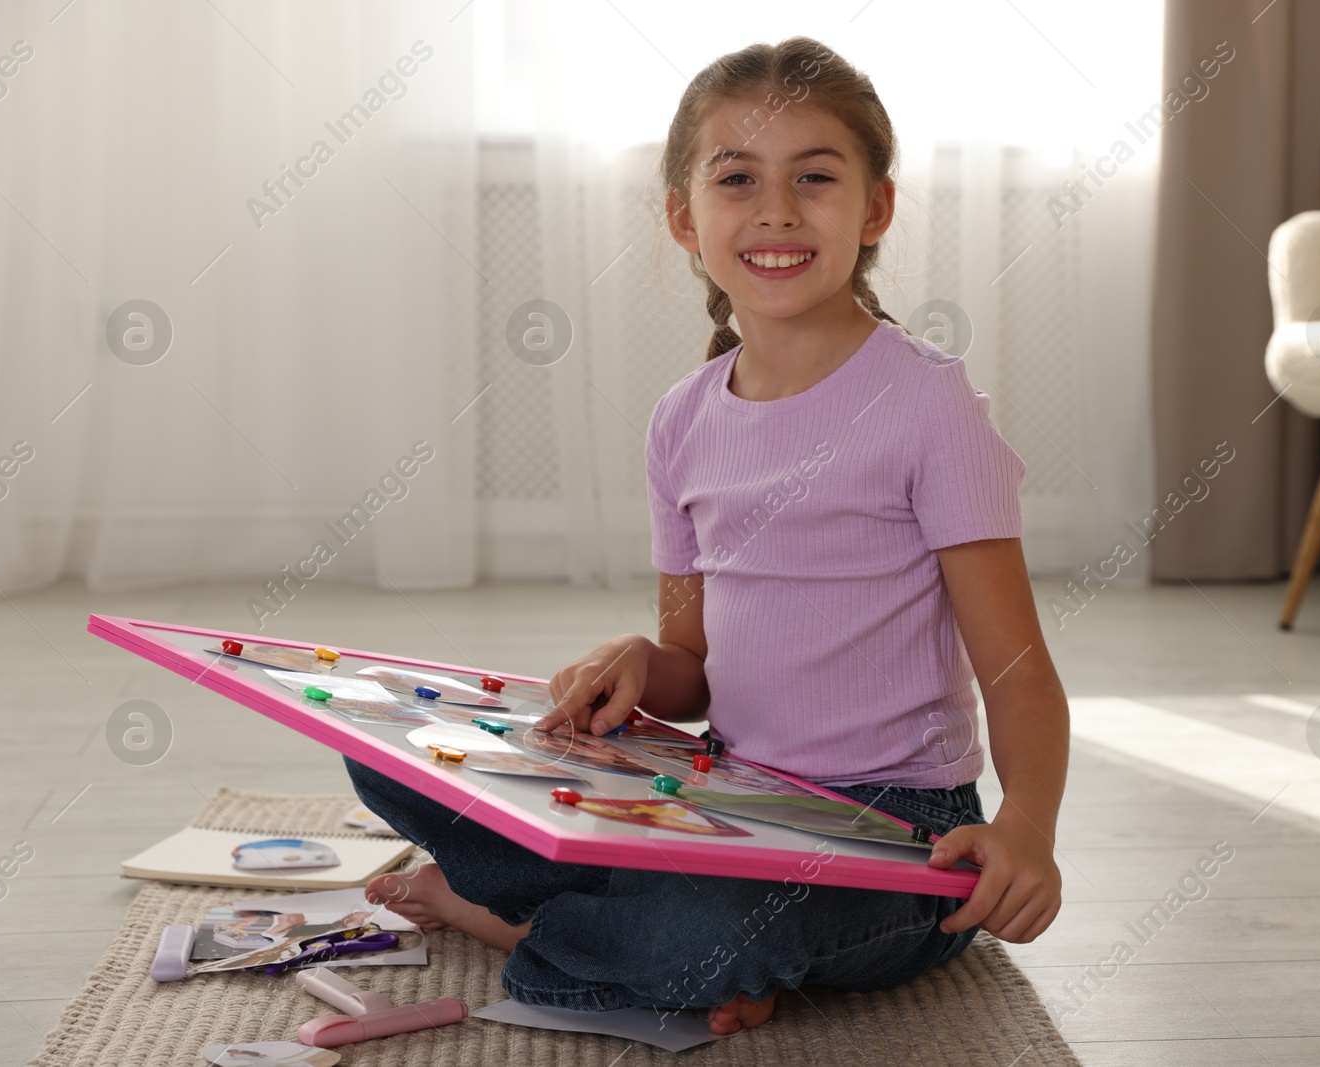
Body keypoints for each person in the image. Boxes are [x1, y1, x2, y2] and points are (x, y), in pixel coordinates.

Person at [347, 35, 1070, 1036]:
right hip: (725, 799)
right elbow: (692, 669)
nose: (776, 210)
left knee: (703, 929)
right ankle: (620, 919)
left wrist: (1024, 825)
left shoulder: (927, 404)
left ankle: (500, 909)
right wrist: (642, 663)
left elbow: (1019, 669)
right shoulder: (681, 419)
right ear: (687, 219)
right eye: (739, 179)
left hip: (896, 831)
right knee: (387, 747)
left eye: (814, 178)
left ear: (875, 208)